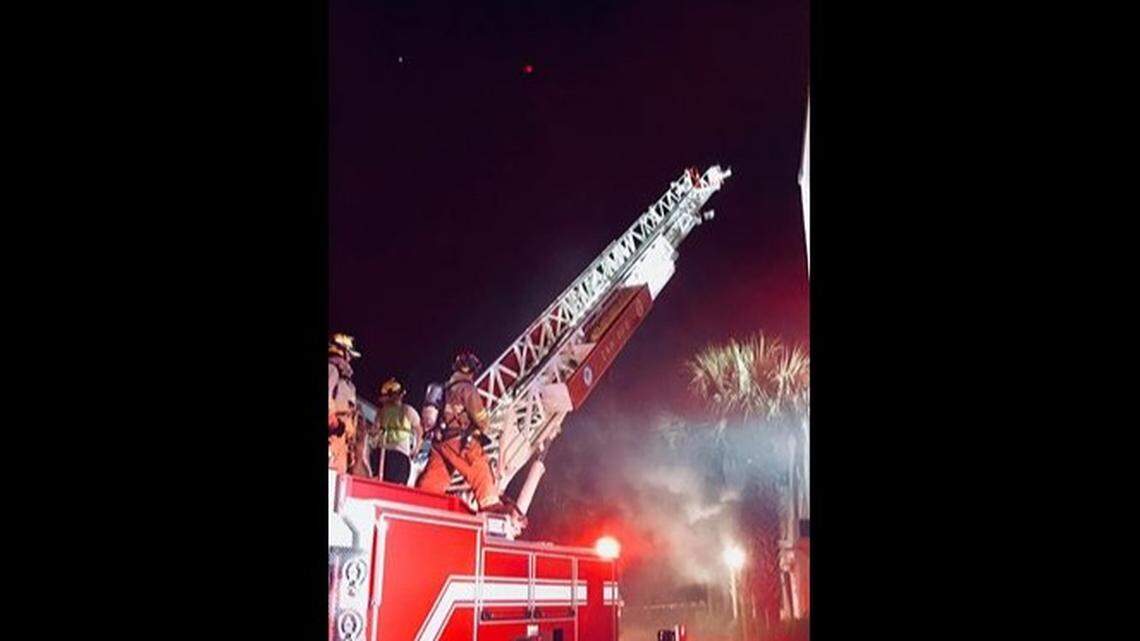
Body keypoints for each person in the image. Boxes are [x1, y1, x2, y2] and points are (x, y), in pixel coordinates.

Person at [416, 350, 512, 514]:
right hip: (459, 441)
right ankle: (491, 507)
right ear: (473, 371)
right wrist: (486, 425)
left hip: (440, 442)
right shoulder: (467, 389)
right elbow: (481, 420)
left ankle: (421, 504)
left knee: (435, 478)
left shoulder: (446, 388)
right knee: (480, 469)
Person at [367, 377, 422, 485]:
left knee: (380, 482)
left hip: (382, 453)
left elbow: (374, 431)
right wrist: (416, 449)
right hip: (399, 455)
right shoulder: (408, 410)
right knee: (397, 485)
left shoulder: (382, 412)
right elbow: (419, 431)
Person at [328, 333, 360, 474]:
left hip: (341, 443)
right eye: (349, 356)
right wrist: (333, 422)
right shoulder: (332, 369)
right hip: (332, 436)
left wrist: (351, 448)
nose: (350, 360)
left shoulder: (347, 383)